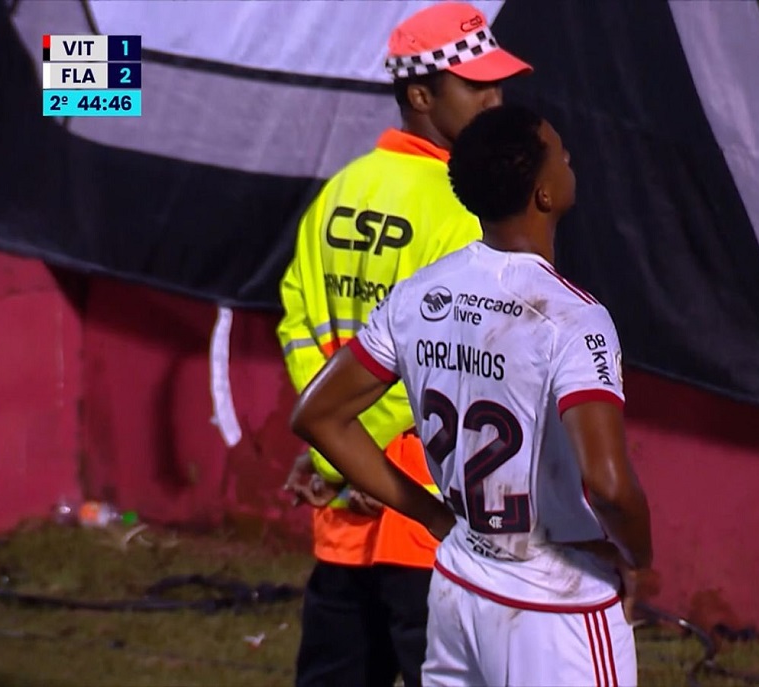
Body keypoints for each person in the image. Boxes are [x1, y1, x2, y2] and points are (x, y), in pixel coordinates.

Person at [289, 104, 658, 686]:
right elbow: (611, 486)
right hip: (554, 603)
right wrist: (639, 556)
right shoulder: (574, 318)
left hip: (460, 583)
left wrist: (435, 516)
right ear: (543, 194)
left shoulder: (419, 294)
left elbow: (318, 416)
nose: (569, 159)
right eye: (560, 153)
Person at [276, 4, 533, 686]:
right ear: (420, 95)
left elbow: (298, 323)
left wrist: (332, 449)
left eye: (499, 84)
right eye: (475, 86)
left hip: (346, 517)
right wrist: (349, 456)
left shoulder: (340, 190)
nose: (495, 100)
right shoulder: (465, 209)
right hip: (428, 516)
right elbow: (444, 358)